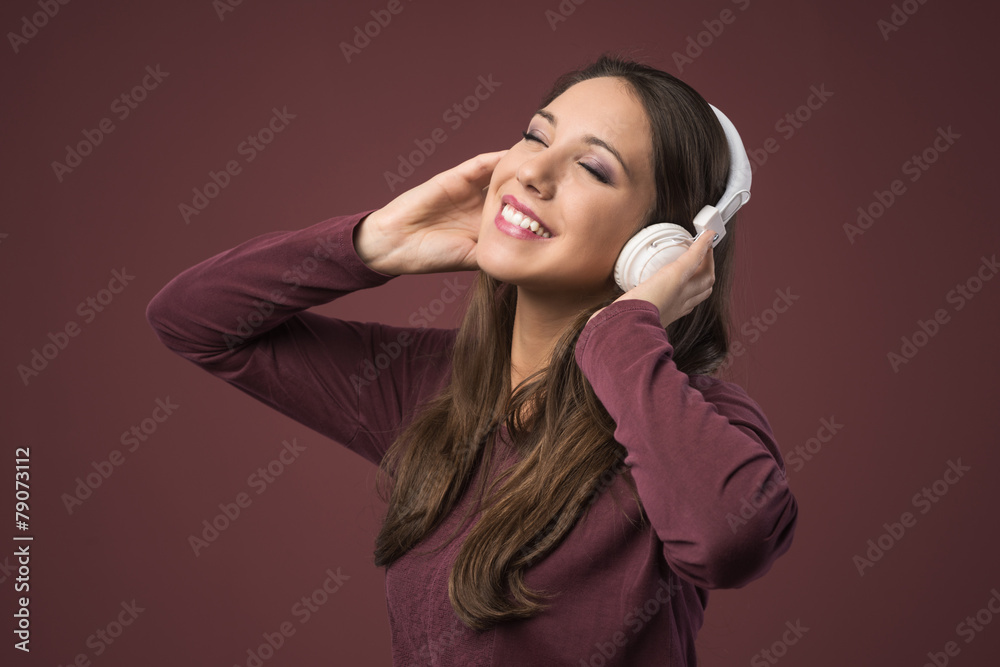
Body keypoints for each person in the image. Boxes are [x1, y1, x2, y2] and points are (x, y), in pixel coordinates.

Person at [146, 53, 797, 666]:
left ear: (662, 245)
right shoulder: (430, 385)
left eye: (593, 168)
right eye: (536, 137)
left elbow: (728, 541)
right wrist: (375, 241)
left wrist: (625, 327)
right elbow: (194, 319)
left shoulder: (693, 421)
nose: (533, 173)